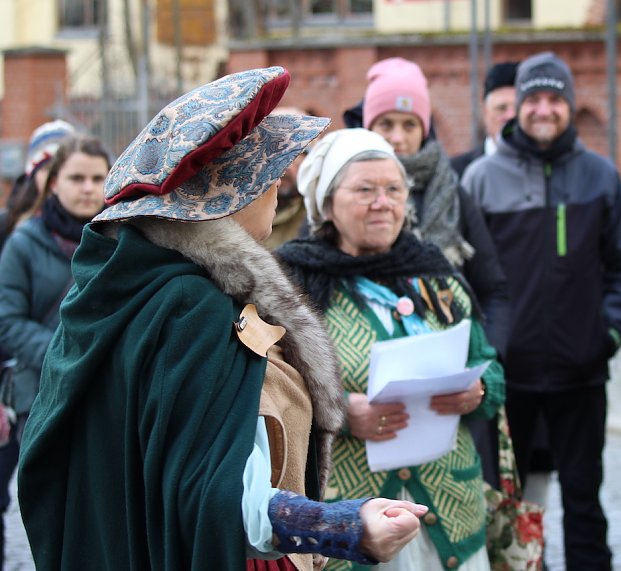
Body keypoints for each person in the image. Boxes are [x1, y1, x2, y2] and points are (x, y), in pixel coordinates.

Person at [17, 67, 427, 570]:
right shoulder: (191, 306)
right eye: (268, 177)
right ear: (233, 190)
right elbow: (218, 493)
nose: (278, 188)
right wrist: (344, 527)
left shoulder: (131, 285)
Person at [275, 127, 505, 571]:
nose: (383, 202)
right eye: (365, 190)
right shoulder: (293, 285)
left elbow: (489, 366)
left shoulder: (435, 274)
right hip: (351, 518)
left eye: (394, 190)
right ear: (328, 204)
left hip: (450, 512)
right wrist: (341, 413)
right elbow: (270, 392)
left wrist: (479, 391)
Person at [461, 51, 621, 571]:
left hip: (580, 373)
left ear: (570, 105)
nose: (543, 109)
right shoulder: (481, 178)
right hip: (509, 378)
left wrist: (608, 334)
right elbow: (464, 278)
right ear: (518, 105)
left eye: (554, 99)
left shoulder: (600, 176)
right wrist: (487, 350)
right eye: (534, 99)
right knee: (508, 504)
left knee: (584, 500)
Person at [357, 56, 510, 489]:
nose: (397, 137)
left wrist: (480, 367)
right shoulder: (340, 195)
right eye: (386, 124)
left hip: (448, 398)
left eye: (409, 124)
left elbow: (494, 291)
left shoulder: (452, 193)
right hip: (371, 401)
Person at [0, 133, 110, 568]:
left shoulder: (122, 238)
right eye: (77, 178)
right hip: (43, 396)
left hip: (107, 393)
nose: (88, 188)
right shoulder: (24, 243)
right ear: (54, 183)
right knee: (55, 513)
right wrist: (67, 356)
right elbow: (7, 320)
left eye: (97, 178)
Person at [450, 61, 519, 178]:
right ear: (486, 112)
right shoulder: (456, 171)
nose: (510, 116)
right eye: (501, 108)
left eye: (517, 109)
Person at [262, 106, 315, 250]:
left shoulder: (317, 214)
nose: (281, 162)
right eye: (273, 151)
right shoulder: (240, 207)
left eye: (294, 153)